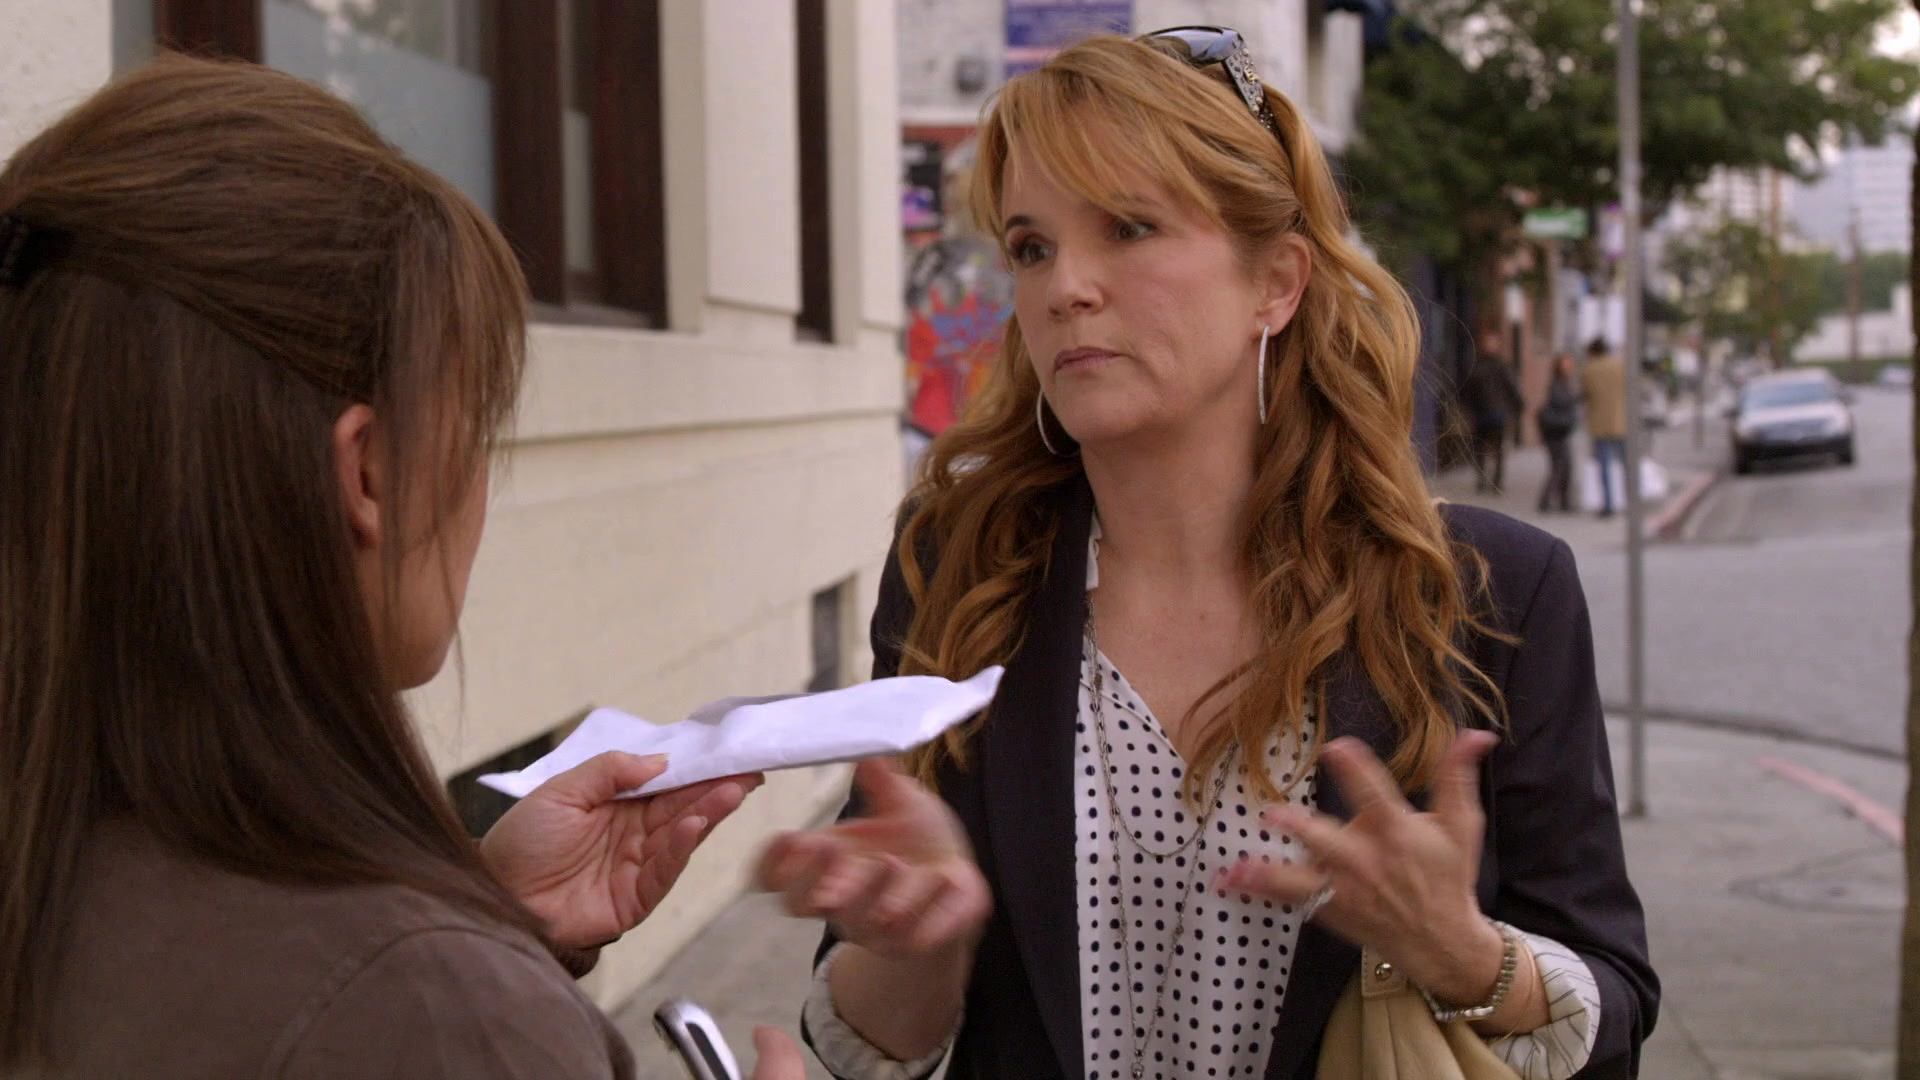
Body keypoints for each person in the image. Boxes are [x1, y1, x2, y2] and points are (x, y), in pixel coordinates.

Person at [758, 28, 1657, 1080]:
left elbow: (1614, 1004)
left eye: (1129, 227)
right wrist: (920, 946)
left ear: (1275, 283)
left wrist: (1465, 958)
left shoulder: (1491, 594)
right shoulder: (957, 566)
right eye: (1032, 247)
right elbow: (874, 1039)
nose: (1065, 288)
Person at [0, 57, 804, 1080]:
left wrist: (484, 926)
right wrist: (461, 975)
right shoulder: (431, 1010)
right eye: (476, 424)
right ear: (371, 471)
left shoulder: (62, 866)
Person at [1462, 344, 1523, 493]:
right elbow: (1513, 390)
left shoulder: (1480, 368)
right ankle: (1493, 481)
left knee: (1484, 449)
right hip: (1492, 415)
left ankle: (1487, 480)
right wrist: (1517, 408)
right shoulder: (1499, 368)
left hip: (1486, 415)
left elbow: (1466, 393)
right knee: (1495, 449)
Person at [1578, 338, 1629, 517]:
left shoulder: (1588, 370)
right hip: (1621, 421)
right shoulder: (1620, 366)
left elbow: (1584, 395)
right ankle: (1631, 500)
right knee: (1627, 465)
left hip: (1599, 423)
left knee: (1604, 467)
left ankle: (1609, 505)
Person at [1536, 352, 1581, 512]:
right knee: (1559, 467)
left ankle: (1563, 501)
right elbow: (1559, 401)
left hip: (1561, 431)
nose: (1570, 367)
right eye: (1566, 364)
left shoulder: (1565, 383)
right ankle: (1546, 501)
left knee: (1564, 467)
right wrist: (1575, 397)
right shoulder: (1557, 384)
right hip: (1555, 432)